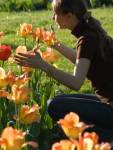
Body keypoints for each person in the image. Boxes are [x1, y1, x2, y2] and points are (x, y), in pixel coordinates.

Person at [14, 0, 113, 142]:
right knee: (58, 101)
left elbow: (76, 83)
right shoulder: (88, 33)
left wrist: (44, 66)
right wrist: (53, 43)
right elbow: (80, 59)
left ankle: (107, 139)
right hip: (108, 102)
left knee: (54, 105)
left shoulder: (87, 38)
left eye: (56, 13)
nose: (53, 18)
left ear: (69, 16)